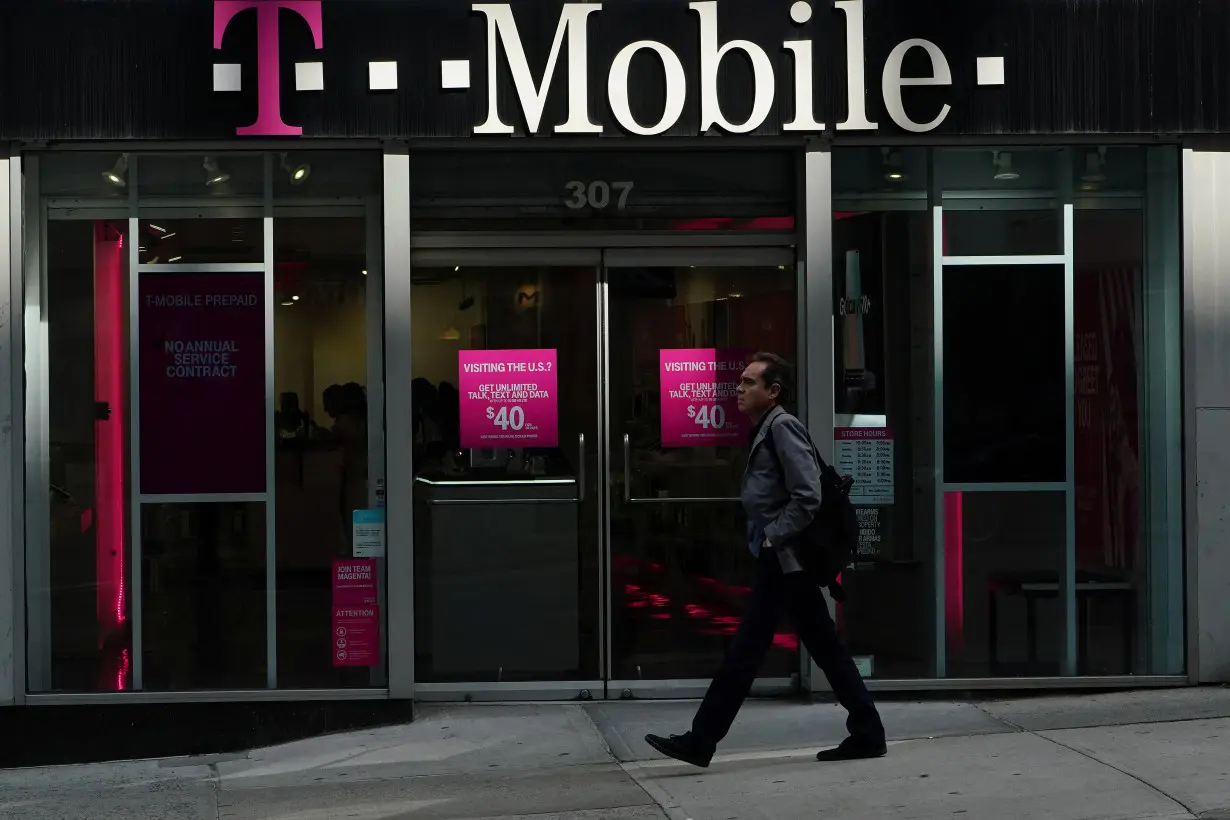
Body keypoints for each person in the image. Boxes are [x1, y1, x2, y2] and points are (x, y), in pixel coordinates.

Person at [645, 351, 886, 768]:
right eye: (740, 382)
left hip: (785, 558)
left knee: (747, 650)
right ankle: (868, 731)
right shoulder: (767, 428)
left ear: (773, 392)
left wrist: (774, 538)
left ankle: (701, 740)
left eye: (749, 382)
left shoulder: (782, 427)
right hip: (784, 558)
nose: (739, 388)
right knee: (821, 645)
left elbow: (808, 494)